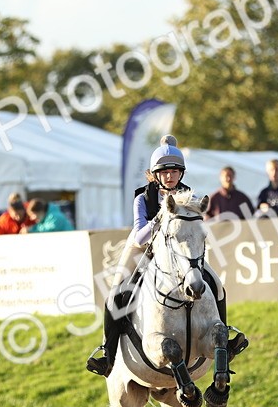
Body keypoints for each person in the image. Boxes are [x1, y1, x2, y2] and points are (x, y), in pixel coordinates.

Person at [86, 135, 248, 377]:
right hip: (145, 250)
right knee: (116, 293)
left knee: (217, 285)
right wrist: (160, 219)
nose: (170, 176)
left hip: (180, 255)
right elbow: (140, 236)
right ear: (156, 174)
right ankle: (108, 354)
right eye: (164, 172)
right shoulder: (143, 198)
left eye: (174, 171)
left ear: (181, 173)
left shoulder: (189, 197)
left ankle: (225, 341)